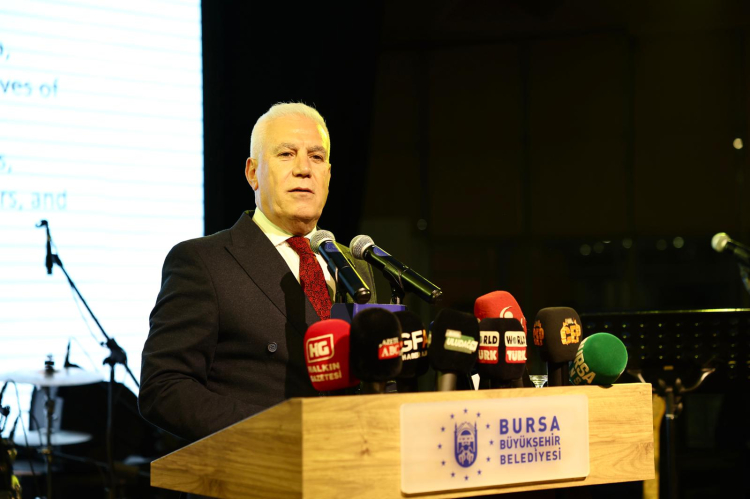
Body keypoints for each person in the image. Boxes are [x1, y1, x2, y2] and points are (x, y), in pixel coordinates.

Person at [138, 102, 377, 443]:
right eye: (286, 154)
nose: (303, 169)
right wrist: (276, 430)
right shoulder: (203, 262)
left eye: (316, 157)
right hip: (258, 465)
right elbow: (163, 388)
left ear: (328, 174)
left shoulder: (356, 267)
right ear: (252, 173)